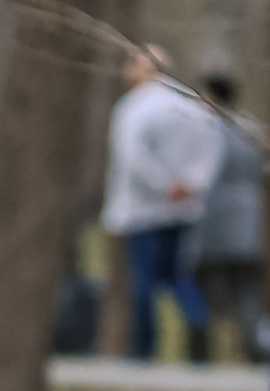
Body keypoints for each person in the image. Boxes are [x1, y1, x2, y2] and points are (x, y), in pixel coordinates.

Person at [101, 44, 221, 362]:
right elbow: (211, 148)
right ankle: (198, 328)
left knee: (144, 280)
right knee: (177, 276)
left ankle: (143, 350)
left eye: (134, 64)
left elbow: (133, 157)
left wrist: (164, 186)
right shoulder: (192, 105)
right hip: (183, 209)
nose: (128, 70)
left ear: (147, 70)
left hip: (143, 210)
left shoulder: (134, 107)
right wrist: (191, 186)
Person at [191, 73, 263, 364]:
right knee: (246, 293)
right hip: (248, 225)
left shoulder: (206, 129)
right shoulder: (251, 130)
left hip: (213, 225)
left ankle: (200, 354)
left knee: (203, 291)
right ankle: (255, 350)